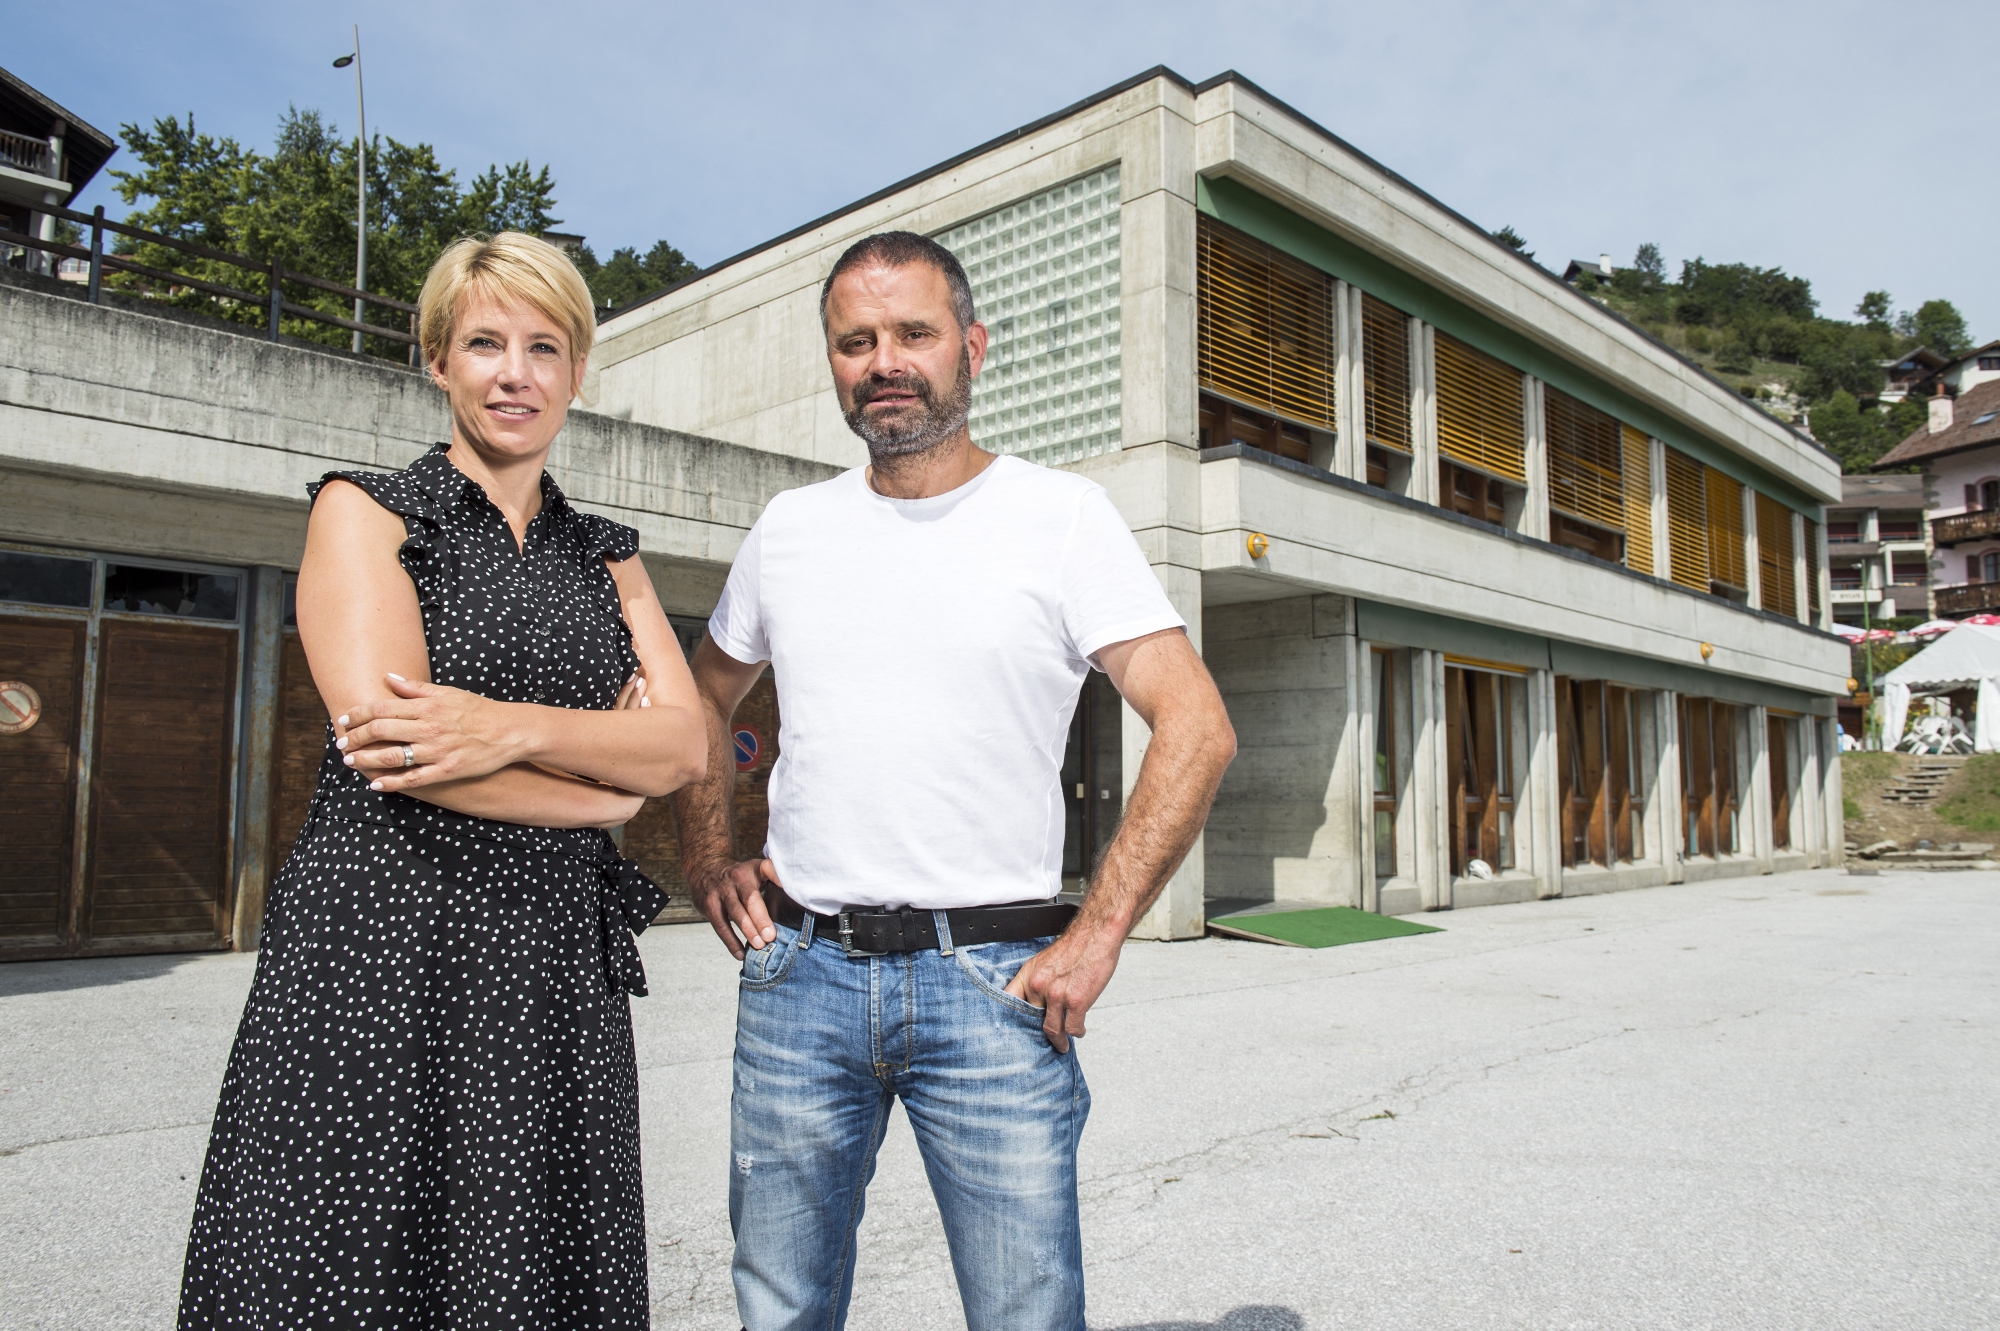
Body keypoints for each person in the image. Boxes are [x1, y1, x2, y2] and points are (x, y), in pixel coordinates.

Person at [672, 231, 1237, 1331]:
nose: (884, 360)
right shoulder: (790, 529)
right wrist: (705, 855)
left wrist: (1100, 929)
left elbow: (1195, 724)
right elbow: (703, 699)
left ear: (970, 347)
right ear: (833, 363)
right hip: (799, 977)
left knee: (1025, 1313)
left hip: (989, 987)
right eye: (855, 341)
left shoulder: (1059, 518)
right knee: (778, 1307)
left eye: (912, 333)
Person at [177, 232, 705, 1330]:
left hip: (553, 958)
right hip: (384, 947)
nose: (516, 372)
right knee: (356, 1254)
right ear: (435, 361)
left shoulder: (607, 553)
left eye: (544, 346)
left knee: (531, 1260)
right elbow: (396, 747)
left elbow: (683, 747)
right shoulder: (364, 512)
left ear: (575, 371)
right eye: (484, 343)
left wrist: (495, 725)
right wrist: (603, 790)